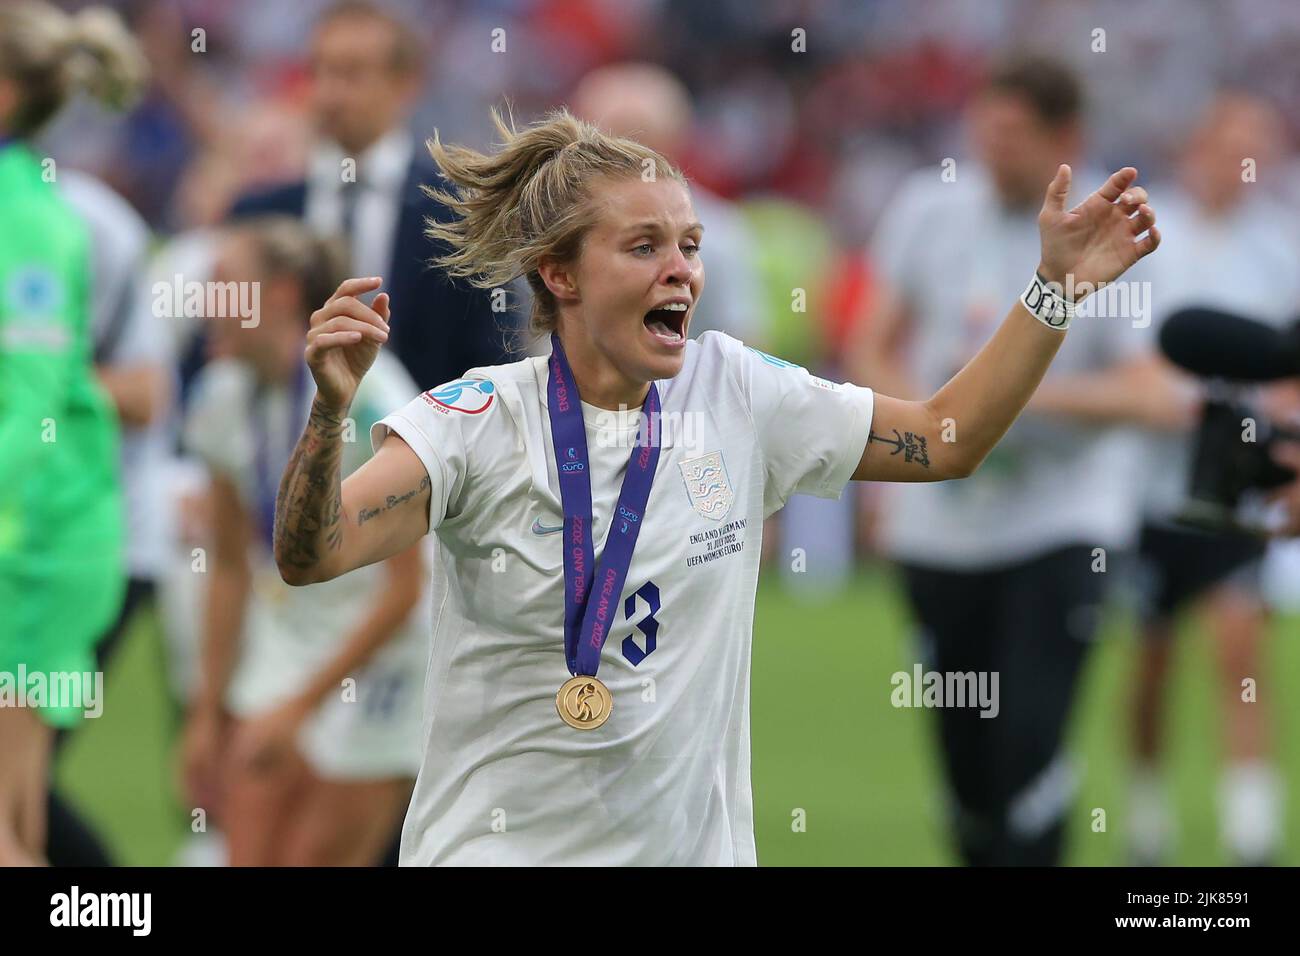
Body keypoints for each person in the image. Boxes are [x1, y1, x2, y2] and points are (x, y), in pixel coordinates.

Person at [271, 105, 1158, 865]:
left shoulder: (739, 391)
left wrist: (1052, 291)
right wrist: (328, 416)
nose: (683, 270)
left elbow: (943, 438)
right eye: (645, 245)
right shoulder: (474, 420)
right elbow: (316, 552)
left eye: (689, 245)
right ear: (560, 273)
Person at [851, 57, 1180, 865]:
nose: (993, 151)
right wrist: (930, 429)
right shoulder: (928, 208)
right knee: (966, 774)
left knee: (1026, 749)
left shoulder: (1114, 226)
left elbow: (1156, 394)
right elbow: (868, 342)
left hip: (1060, 525)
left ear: (1066, 139)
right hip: (941, 531)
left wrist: (1005, 402)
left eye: (1015, 136)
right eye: (984, 130)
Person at [179, 218, 429, 866]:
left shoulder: (375, 396)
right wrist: (208, 711)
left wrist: (302, 706)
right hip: (284, 643)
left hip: (383, 658)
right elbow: (231, 567)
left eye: (226, 286)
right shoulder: (220, 398)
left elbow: (408, 591)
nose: (208, 303)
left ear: (284, 293)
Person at [1126, 92, 1300, 866]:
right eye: (1234, 147)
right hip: (1148, 487)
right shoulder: (1152, 238)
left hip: (1239, 481)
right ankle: (1145, 818)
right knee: (1152, 661)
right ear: (1201, 148)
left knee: (1239, 649)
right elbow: (1138, 363)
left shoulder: (1278, 247)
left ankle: (1251, 834)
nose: (1245, 166)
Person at [0, 0, 143, 865]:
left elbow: (31, 406)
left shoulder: (31, 224)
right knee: (17, 824)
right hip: (39, 541)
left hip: (33, 552)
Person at [227, 0, 517, 393]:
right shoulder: (258, 216)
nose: (330, 93)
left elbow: (493, 365)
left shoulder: (461, 216)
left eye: (352, 73)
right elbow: (218, 352)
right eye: (319, 71)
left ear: (405, 84)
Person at [571, 62, 763, 342]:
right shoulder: (554, 226)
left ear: (675, 139)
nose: (626, 150)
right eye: (612, 134)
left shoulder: (720, 234)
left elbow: (744, 344)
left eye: (639, 134)